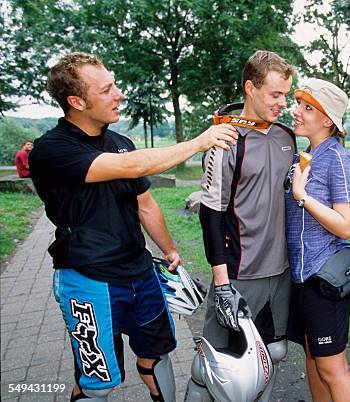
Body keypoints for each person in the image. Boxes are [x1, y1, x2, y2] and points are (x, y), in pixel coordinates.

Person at [28, 52, 237, 402]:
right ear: (76, 101)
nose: (119, 94)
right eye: (107, 89)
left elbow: (145, 203)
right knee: (99, 382)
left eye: (115, 85)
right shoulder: (51, 150)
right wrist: (199, 142)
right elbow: (128, 167)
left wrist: (169, 249)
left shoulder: (119, 141)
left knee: (156, 356)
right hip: (89, 279)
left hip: (140, 273)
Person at [194, 50, 296, 401]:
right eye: (275, 94)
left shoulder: (285, 135)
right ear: (250, 88)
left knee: (271, 357)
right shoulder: (224, 140)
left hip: (280, 271)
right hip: (239, 273)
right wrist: (221, 283)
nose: (283, 102)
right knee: (213, 366)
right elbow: (211, 214)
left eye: (286, 94)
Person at [286, 79, 350, 402]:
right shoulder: (305, 155)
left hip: (325, 277)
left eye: (307, 108)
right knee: (312, 358)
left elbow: (346, 226)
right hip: (301, 277)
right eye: (298, 104)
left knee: (333, 368)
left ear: (327, 120)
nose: (297, 111)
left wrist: (302, 196)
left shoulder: (339, 160)